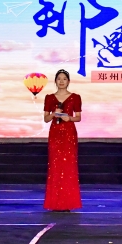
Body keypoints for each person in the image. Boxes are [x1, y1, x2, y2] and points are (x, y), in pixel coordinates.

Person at [43, 69, 82, 211]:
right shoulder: (49, 98)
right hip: (55, 133)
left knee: (68, 166)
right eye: (59, 78)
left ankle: (68, 202)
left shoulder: (75, 97)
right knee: (55, 166)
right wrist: (54, 114)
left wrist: (69, 118)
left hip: (69, 134)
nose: (61, 81)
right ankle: (55, 202)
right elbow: (46, 119)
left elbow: (78, 117)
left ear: (68, 81)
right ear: (55, 81)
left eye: (64, 79)